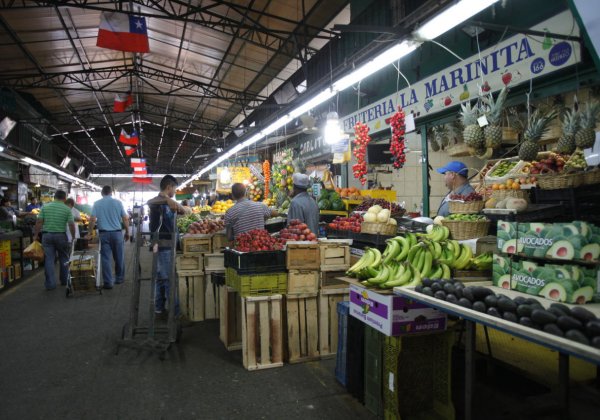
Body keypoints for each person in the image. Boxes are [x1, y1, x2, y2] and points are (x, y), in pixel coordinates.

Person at [147, 175, 186, 319]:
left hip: (165, 244)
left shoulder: (169, 203)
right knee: (168, 278)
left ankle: (158, 307)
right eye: (174, 188)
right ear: (169, 187)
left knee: (161, 277)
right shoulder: (157, 201)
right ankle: (175, 313)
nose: (175, 191)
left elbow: (183, 211)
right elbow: (149, 201)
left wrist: (178, 205)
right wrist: (167, 199)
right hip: (162, 245)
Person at [87, 186, 130, 289]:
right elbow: (125, 218)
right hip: (117, 234)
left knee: (105, 259)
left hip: (103, 234)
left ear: (102, 193)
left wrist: (89, 233)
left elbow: (92, 219)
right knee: (119, 257)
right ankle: (119, 278)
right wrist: (128, 231)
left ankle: (108, 282)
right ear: (111, 193)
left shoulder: (97, 203)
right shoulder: (118, 203)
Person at [33, 190, 76, 291]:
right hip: (61, 236)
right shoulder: (67, 209)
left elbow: (39, 222)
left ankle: (50, 284)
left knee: (49, 259)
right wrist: (73, 237)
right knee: (64, 258)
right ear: (64, 198)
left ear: (54, 197)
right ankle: (64, 280)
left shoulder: (45, 207)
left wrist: (35, 235)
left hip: (47, 236)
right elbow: (71, 224)